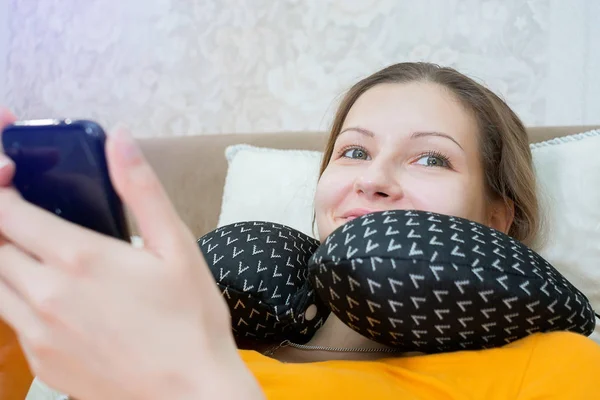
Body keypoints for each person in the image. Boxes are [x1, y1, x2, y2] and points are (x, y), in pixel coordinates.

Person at [0, 62, 598, 400]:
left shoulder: (550, 366)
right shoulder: (191, 333)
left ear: (499, 215)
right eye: (353, 153)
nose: (375, 180)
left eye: (430, 159)